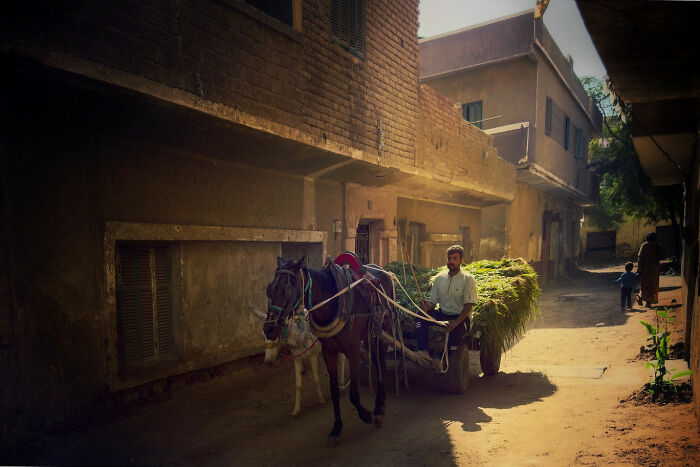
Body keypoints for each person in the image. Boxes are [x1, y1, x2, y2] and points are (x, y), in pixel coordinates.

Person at [415, 245, 478, 358]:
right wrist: (426, 305)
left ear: (461, 260)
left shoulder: (468, 279)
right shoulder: (439, 279)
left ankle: (449, 359)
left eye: (455, 258)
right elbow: (432, 303)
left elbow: (468, 306)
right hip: (442, 315)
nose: (451, 261)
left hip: (460, 318)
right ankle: (423, 350)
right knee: (420, 317)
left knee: (454, 340)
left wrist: (455, 323)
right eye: (449, 258)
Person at [637, 232, 663, 308]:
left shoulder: (644, 245)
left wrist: (639, 268)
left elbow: (640, 258)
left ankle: (641, 298)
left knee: (645, 285)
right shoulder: (657, 246)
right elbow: (661, 256)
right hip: (654, 269)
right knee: (653, 285)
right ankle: (648, 302)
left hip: (645, 269)